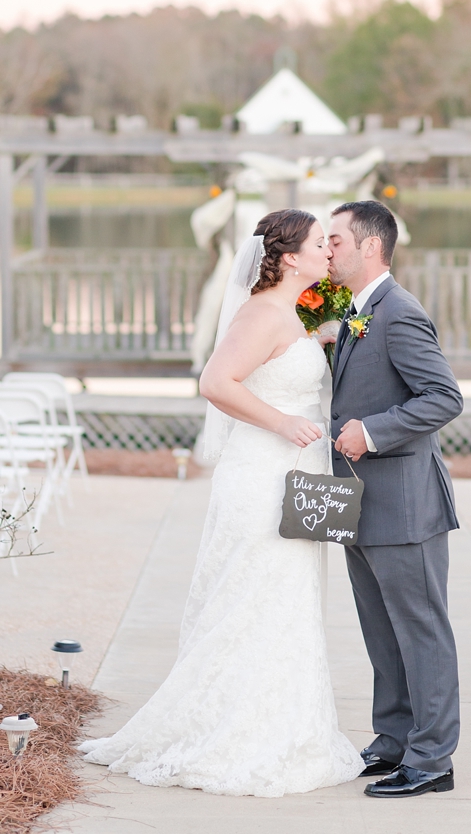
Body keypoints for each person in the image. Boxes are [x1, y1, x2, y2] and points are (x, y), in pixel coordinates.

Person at [79, 209, 363, 797]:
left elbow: (303, 351)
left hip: (299, 471)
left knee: (291, 600)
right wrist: (285, 422)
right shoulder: (260, 313)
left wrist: (334, 333)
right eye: (318, 243)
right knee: (253, 597)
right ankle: (231, 735)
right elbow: (216, 382)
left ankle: (288, 727)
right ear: (289, 258)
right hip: (263, 472)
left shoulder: (303, 308)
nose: (329, 252)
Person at [328, 200, 464, 799]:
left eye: (335, 240)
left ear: (370, 248)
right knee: (380, 632)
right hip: (359, 501)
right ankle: (392, 740)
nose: (326, 249)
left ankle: (433, 760)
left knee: (421, 631)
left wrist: (372, 430)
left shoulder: (399, 313)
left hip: (405, 506)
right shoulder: (357, 313)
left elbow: (443, 397)